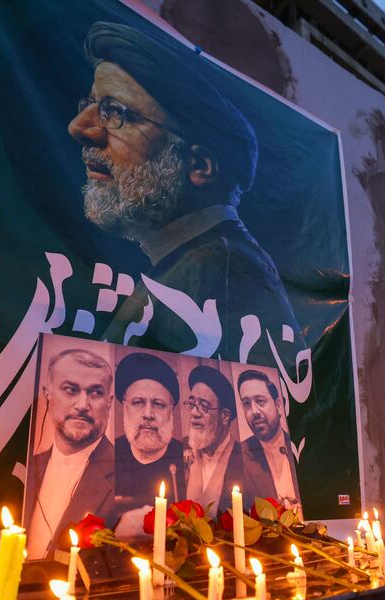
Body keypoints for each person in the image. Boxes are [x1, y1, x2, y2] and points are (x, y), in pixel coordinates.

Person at [70, 21, 304, 367]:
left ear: (199, 166)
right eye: (90, 105)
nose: (79, 127)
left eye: (115, 112)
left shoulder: (212, 270)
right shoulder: (188, 263)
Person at [24, 348, 115, 559]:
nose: (83, 405)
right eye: (71, 389)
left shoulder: (128, 475)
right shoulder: (29, 466)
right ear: (48, 392)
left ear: (109, 401)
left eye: (95, 393)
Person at [113, 352, 186, 519]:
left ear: (171, 411)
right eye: (138, 402)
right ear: (125, 408)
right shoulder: (108, 456)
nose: (148, 414)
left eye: (158, 404)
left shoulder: (188, 461)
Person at [230, 369, 301, 514]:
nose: (254, 411)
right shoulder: (238, 456)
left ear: (279, 406)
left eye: (260, 401)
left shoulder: (299, 447)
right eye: (247, 404)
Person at [183, 366, 238, 512]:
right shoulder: (179, 448)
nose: (194, 413)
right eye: (192, 404)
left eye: (204, 406)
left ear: (225, 416)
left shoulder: (243, 457)